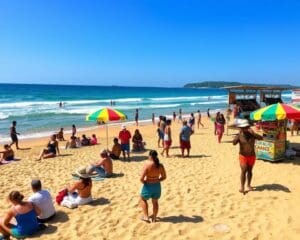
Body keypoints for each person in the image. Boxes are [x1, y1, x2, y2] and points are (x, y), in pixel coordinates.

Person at [233, 119, 263, 194]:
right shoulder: (240, 135)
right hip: (243, 155)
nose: (244, 129)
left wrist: (253, 133)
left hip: (252, 156)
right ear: (240, 128)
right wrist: (238, 135)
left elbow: (261, 138)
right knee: (244, 170)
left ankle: (248, 185)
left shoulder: (252, 135)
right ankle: (242, 187)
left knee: (249, 171)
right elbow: (234, 143)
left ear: (248, 127)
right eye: (243, 127)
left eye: (246, 127)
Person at [140, 150, 166, 223]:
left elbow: (141, 178)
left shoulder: (147, 164)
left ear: (150, 156)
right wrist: (157, 180)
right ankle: (154, 218)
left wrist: (144, 182)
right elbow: (164, 177)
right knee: (155, 202)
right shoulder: (160, 165)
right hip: (157, 186)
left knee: (143, 199)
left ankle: (146, 217)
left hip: (148, 185)